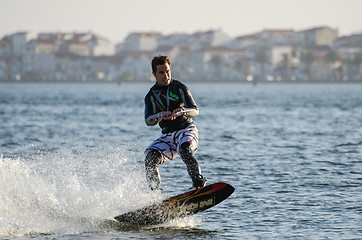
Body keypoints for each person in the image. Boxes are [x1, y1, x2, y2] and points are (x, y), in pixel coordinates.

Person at [144, 55, 206, 191]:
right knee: (150, 159)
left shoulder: (180, 88)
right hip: (168, 137)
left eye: (168, 71)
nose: (166, 75)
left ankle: (198, 184)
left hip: (186, 130)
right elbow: (148, 121)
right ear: (154, 74)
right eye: (161, 72)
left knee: (185, 150)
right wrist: (160, 115)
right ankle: (154, 196)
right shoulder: (151, 96)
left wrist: (183, 111)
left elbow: (195, 111)